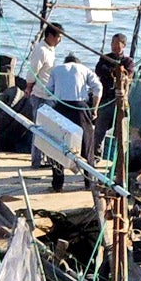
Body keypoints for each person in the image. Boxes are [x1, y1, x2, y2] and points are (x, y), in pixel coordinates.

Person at [43, 52, 103, 192]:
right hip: (80, 107)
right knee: (87, 145)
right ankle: (89, 182)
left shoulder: (56, 69)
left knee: (58, 145)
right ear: (77, 62)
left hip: (61, 107)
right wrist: (94, 108)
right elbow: (98, 88)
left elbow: (47, 90)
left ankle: (57, 184)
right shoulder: (84, 69)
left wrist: (59, 92)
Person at [22, 21, 63, 168]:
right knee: (39, 129)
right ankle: (36, 160)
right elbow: (33, 71)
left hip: (49, 94)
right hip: (40, 95)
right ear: (51, 36)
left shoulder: (51, 49)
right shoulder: (41, 50)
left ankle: (44, 158)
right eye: (59, 37)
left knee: (48, 129)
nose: (60, 40)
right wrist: (28, 87)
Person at [96, 34, 133, 150]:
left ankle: (119, 156)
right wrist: (114, 70)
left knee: (120, 131)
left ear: (123, 45)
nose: (114, 46)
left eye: (117, 43)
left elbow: (128, 74)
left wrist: (119, 72)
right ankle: (95, 154)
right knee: (99, 130)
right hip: (106, 99)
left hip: (120, 101)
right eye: (112, 43)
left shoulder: (128, 61)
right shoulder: (105, 58)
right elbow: (99, 70)